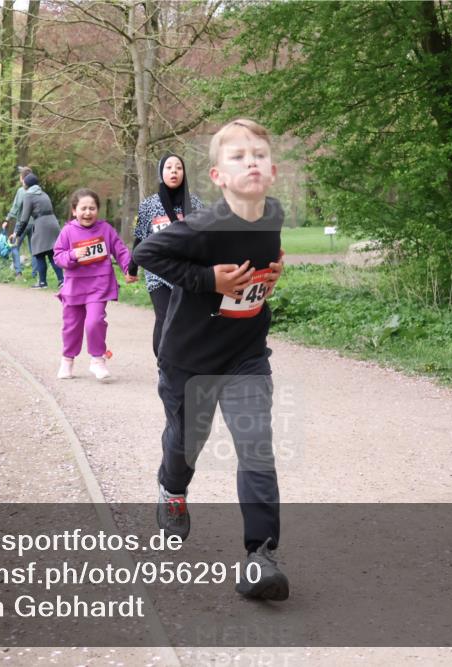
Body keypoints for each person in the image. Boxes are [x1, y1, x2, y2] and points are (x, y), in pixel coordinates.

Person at [133, 119, 288, 601]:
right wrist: (210, 282)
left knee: (256, 446)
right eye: (238, 157)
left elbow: (264, 252)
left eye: (259, 155)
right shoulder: (202, 227)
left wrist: (274, 267)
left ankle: (260, 556)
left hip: (245, 354)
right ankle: (172, 491)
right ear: (218, 177)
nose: (251, 163)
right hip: (189, 359)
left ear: (274, 169)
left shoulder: (274, 213)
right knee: (187, 442)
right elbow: (145, 251)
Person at [53, 188, 137, 381]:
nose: (88, 212)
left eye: (92, 208)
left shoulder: (105, 229)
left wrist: (128, 269)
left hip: (99, 286)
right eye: (83, 208)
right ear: (74, 211)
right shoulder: (67, 231)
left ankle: (97, 360)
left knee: (95, 322)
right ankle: (67, 360)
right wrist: (73, 255)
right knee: (71, 326)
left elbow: (120, 250)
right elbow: (58, 257)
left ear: (97, 210)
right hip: (74, 288)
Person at [131, 153, 205, 356]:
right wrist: (132, 268)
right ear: (160, 173)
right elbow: (140, 238)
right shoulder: (149, 205)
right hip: (158, 272)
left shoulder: (196, 205)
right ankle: (163, 362)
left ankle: (183, 360)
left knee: (186, 319)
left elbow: (206, 239)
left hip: (187, 272)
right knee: (164, 318)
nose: (174, 171)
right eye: (169, 168)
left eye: (178, 168)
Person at [11, 173, 63, 289]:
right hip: (53, 223)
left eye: (24, 181)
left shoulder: (28, 196)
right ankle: (61, 280)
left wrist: (17, 233)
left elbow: (24, 219)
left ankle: (42, 282)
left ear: (27, 184)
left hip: (41, 224)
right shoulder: (43, 193)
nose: (22, 183)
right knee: (51, 253)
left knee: (39, 253)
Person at [4, 166, 33, 278]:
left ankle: (18, 272)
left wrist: (7, 219)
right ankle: (36, 273)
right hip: (34, 224)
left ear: (23, 179)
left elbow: (15, 207)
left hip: (22, 223)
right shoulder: (37, 191)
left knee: (15, 246)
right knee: (33, 249)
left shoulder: (21, 191)